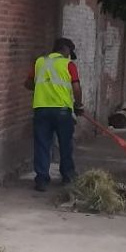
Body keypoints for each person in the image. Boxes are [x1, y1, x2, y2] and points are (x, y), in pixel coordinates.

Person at [25, 37, 83, 192]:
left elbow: (28, 83)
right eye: (69, 52)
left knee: (42, 144)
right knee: (65, 144)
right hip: (62, 111)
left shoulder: (39, 62)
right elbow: (76, 88)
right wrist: (79, 105)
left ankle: (42, 180)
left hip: (41, 109)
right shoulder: (68, 65)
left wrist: (44, 86)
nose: (70, 56)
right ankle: (68, 176)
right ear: (65, 50)